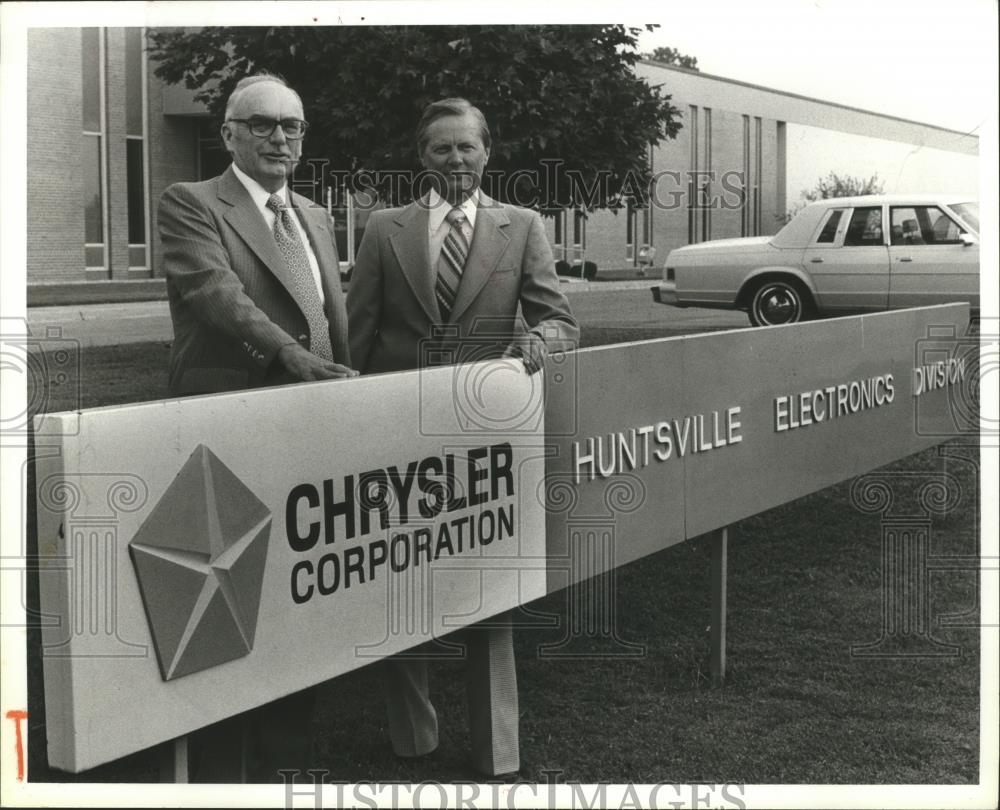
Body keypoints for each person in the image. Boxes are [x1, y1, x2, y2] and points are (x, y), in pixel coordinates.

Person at [347, 97, 579, 778]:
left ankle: (497, 752)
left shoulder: (523, 226)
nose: (455, 159)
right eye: (441, 148)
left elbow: (560, 320)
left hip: (485, 440)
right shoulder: (384, 228)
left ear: (487, 153)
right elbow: (359, 336)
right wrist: (349, 419)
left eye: (467, 147)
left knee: (488, 588)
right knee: (399, 581)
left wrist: (538, 337)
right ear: (423, 156)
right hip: (397, 438)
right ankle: (410, 737)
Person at [157, 72, 356, 781]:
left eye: (292, 126)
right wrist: (288, 354)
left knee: (297, 594)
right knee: (226, 599)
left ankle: (286, 763)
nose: (280, 138)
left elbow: (334, 319)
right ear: (230, 133)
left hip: (313, 430)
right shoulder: (192, 203)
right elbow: (216, 292)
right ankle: (218, 769)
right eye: (264, 124)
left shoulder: (316, 213)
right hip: (232, 423)